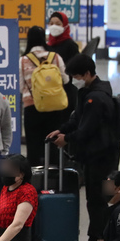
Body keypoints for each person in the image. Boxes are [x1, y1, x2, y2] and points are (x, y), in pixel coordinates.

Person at [47, 54, 119, 241]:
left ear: (87, 74)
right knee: (93, 197)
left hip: (102, 155)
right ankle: (96, 236)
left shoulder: (96, 98)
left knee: (98, 197)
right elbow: (77, 119)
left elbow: (87, 129)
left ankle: (100, 238)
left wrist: (67, 139)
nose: (75, 81)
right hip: (94, 154)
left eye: (77, 76)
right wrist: (62, 130)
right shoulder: (88, 92)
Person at [20, 26, 69, 167]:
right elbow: (66, 80)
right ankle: (53, 181)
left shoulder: (23, 60)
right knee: (54, 145)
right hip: (54, 107)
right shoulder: (55, 57)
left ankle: (34, 181)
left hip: (32, 107)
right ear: (44, 38)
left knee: (33, 146)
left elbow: (20, 87)